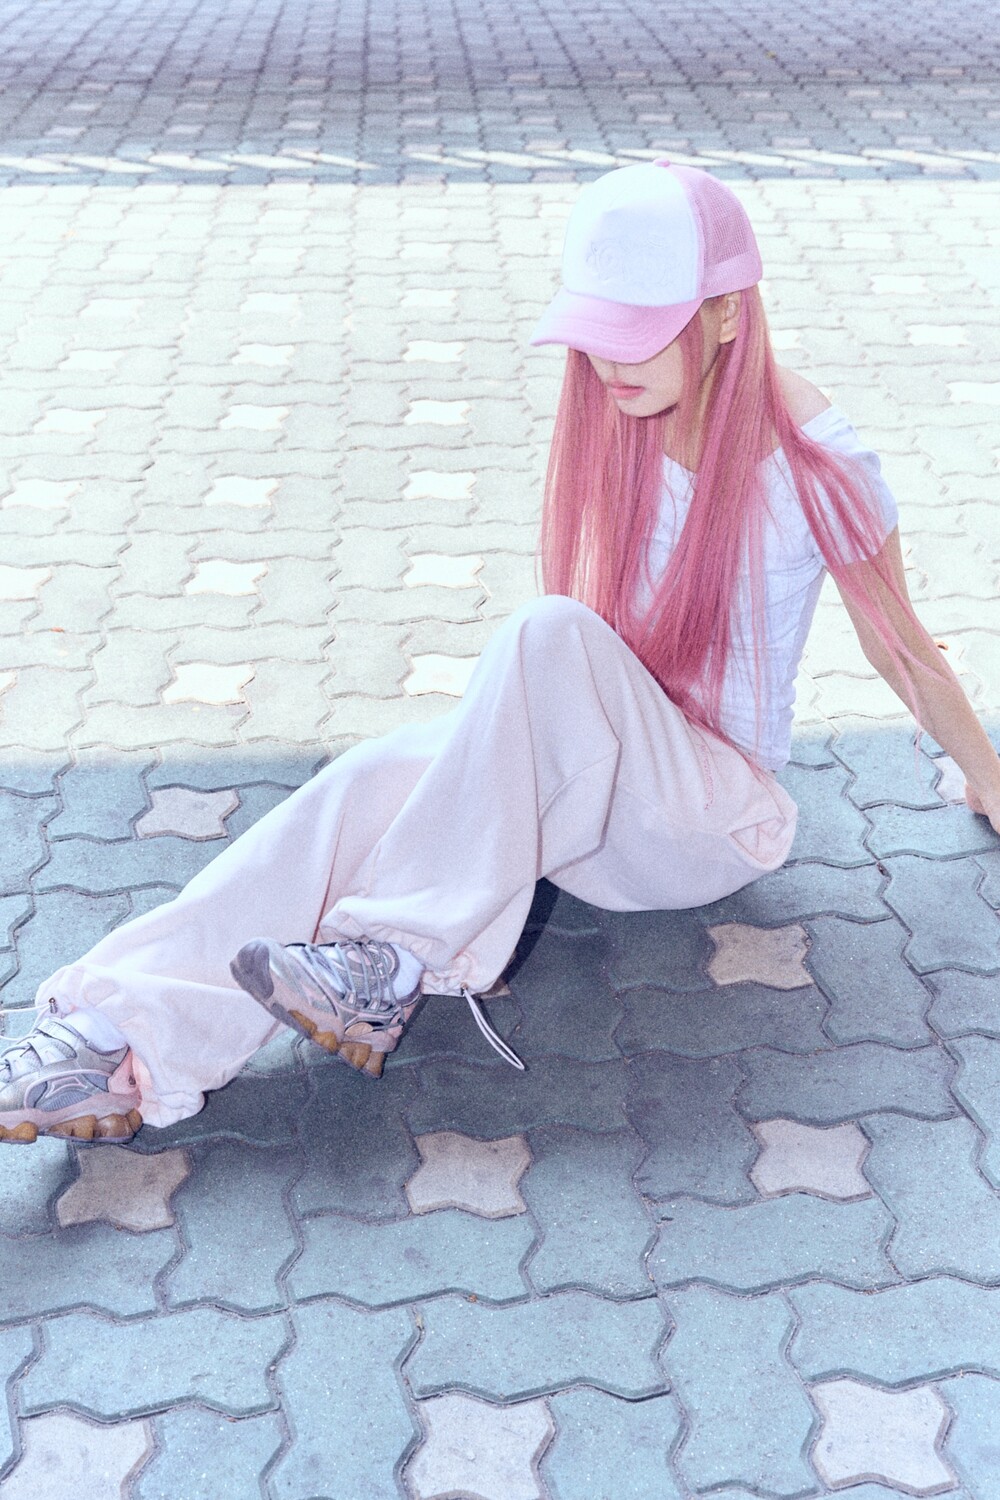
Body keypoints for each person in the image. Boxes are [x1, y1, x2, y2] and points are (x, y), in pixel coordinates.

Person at [2, 160, 997, 1147]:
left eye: (641, 331)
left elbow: (905, 653)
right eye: (597, 329)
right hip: (591, 793)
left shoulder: (817, 461)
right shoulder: (630, 420)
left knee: (547, 633)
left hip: (707, 817)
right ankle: (111, 1036)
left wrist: (988, 779)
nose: (609, 363)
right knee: (364, 784)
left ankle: (391, 960)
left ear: (729, 312)